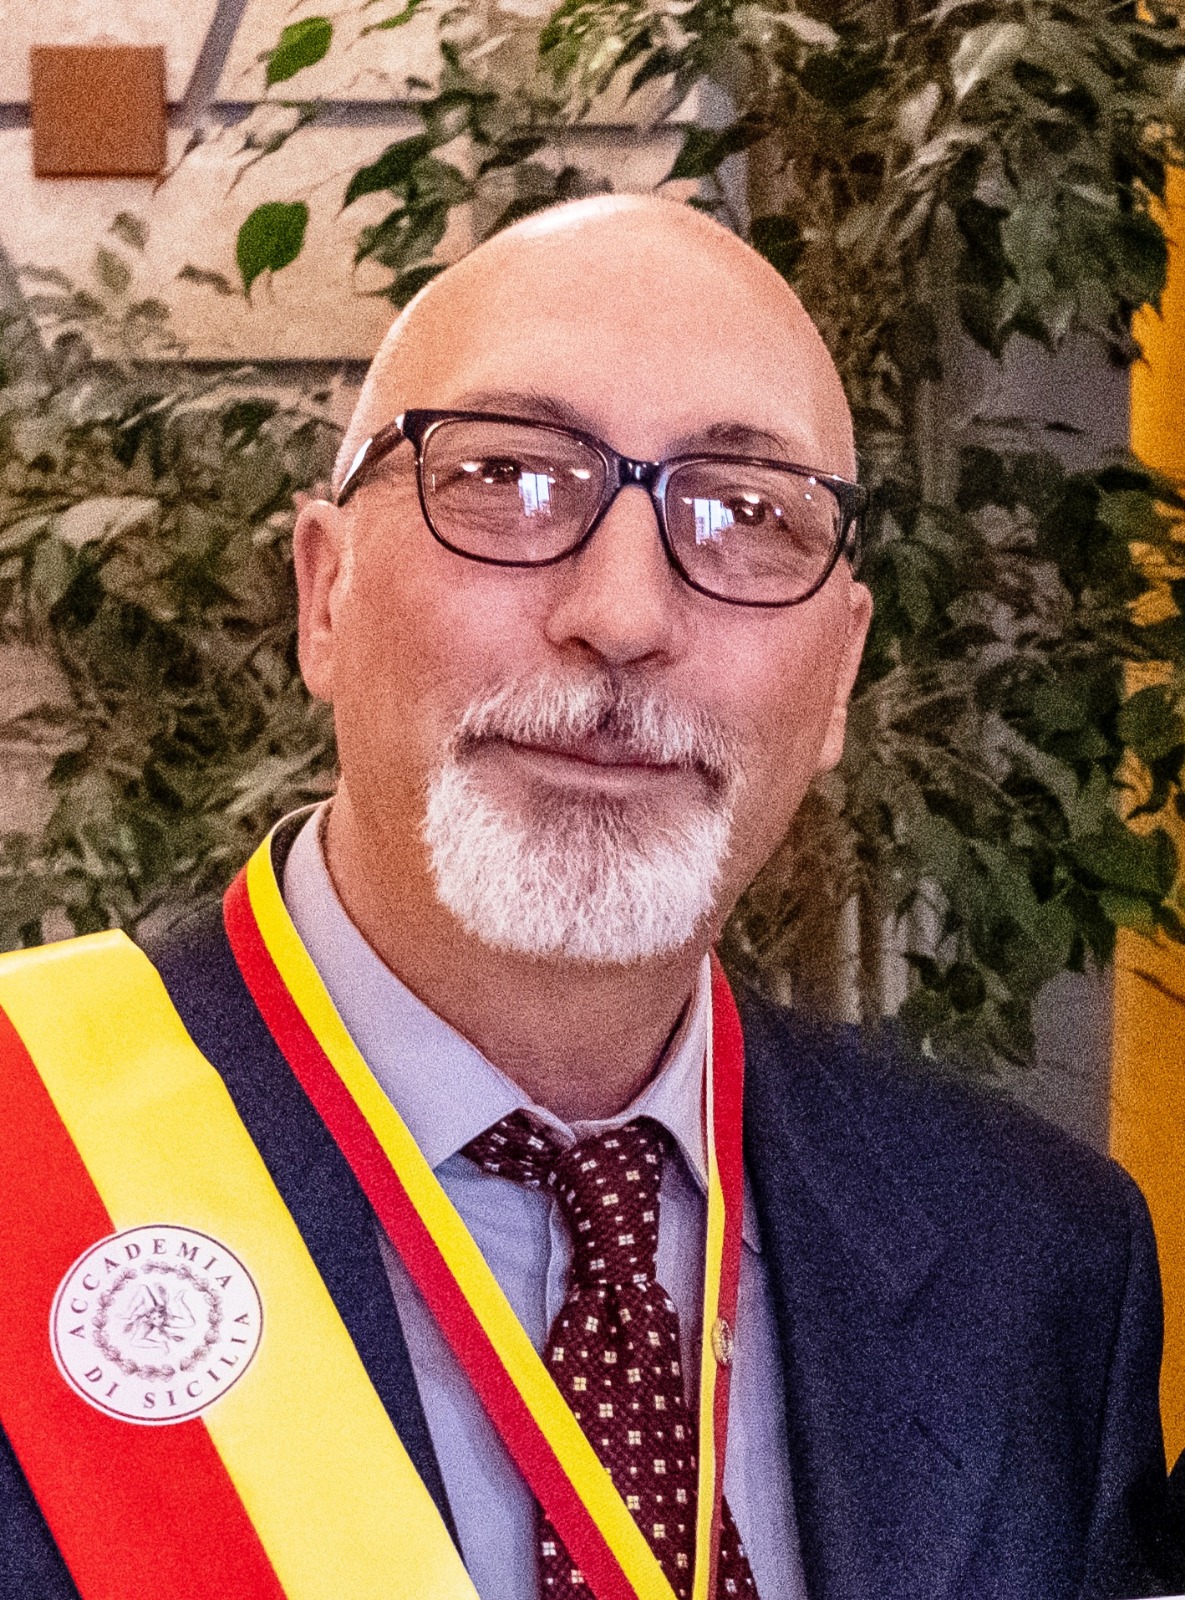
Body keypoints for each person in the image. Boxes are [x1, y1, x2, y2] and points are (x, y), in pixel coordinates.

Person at [0, 194, 1175, 1600]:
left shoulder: (1038, 1263)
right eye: (508, 477)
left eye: (745, 514)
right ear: (324, 595)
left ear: (838, 679)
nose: (623, 615)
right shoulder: (27, 1159)